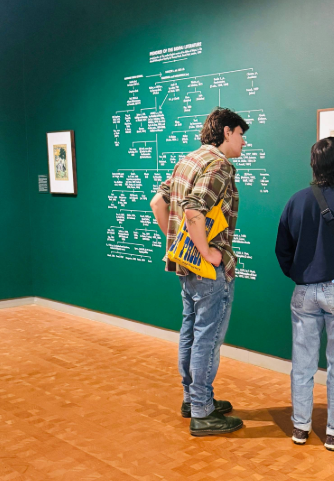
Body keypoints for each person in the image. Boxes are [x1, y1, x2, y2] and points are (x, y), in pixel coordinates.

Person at [150, 107, 248, 436]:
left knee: (190, 332)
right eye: (240, 134)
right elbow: (194, 208)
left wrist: (176, 243)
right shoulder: (219, 164)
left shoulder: (188, 160)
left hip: (186, 268)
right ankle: (203, 412)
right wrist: (207, 252)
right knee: (208, 337)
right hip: (207, 270)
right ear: (226, 132)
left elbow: (157, 203)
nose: (243, 142)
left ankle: (192, 400)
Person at [275, 137, 334, 451]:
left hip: (303, 292)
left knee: (303, 363)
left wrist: (300, 275)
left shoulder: (296, 201)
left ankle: (300, 427)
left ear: (313, 163)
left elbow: (281, 249)